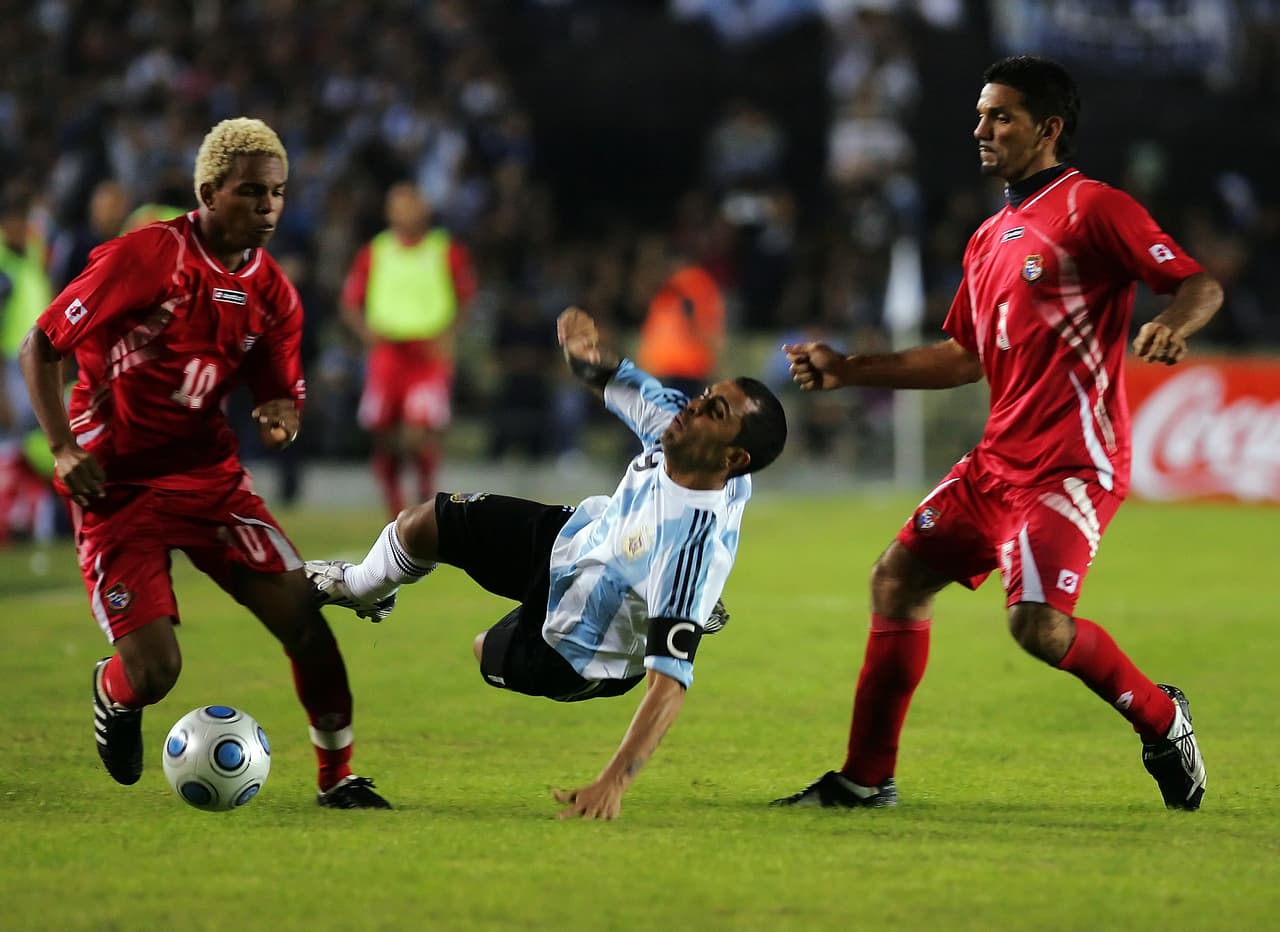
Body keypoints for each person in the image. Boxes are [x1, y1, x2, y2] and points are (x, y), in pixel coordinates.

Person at [774, 56, 1223, 811]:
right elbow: (961, 359)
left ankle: (1160, 715)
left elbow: (1197, 282)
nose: (981, 130)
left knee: (1038, 626)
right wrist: (850, 369)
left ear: (1048, 129)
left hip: (1071, 466)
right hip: (996, 465)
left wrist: (1173, 325)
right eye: (981, 114)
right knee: (896, 579)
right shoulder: (989, 238)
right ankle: (863, 780)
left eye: (1001, 117)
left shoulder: (1094, 208)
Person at [18, 117, 392, 809]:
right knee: (156, 672)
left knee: (303, 619)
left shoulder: (275, 292)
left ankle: (337, 778)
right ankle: (114, 690)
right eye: (251, 192)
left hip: (211, 484)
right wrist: (65, 448)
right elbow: (40, 346)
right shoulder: (147, 257)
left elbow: (278, 387)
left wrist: (282, 412)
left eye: (277, 193)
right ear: (210, 192)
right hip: (117, 488)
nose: (268, 207)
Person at [305, 306, 787, 820]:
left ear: (734, 460)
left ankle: (675, 612)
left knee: (483, 651)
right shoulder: (675, 427)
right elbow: (607, 377)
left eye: (714, 412)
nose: (694, 407)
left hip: (578, 650)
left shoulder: (690, 540)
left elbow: (668, 687)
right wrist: (582, 354)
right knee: (421, 525)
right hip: (572, 543)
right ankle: (360, 587)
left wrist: (613, 783)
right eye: (707, 395)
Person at [340, 182, 476, 516]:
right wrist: (365, 332)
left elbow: (467, 297)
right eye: (398, 205)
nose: (405, 212)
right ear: (389, 211)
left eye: (411, 204)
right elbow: (350, 301)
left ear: (424, 209)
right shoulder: (376, 250)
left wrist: (450, 336)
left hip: (428, 352)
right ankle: (395, 509)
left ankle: (425, 503)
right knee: (383, 433)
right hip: (387, 352)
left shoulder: (445, 249)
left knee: (420, 433)